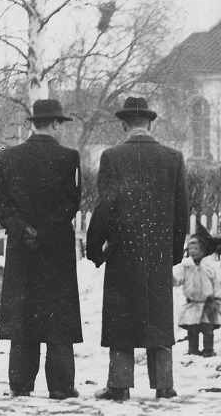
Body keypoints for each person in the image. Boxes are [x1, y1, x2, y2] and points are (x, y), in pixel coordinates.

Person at [86, 97, 189, 401]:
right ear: (150, 123)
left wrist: (95, 247)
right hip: (157, 253)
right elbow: (181, 210)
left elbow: (105, 206)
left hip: (123, 250)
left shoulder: (112, 157)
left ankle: (119, 385)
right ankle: (164, 384)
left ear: (123, 124)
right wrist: (174, 252)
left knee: (122, 317)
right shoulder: (173, 157)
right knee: (157, 316)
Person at [0, 99, 83, 400]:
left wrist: (22, 229)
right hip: (56, 249)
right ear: (55, 124)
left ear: (34, 123)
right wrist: (45, 231)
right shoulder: (70, 158)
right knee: (58, 318)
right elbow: (72, 202)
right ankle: (61, 385)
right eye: (62, 125)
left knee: (24, 316)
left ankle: (20, 382)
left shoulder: (9, 157)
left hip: (22, 247)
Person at [173, 234, 221, 357]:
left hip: (208, 303)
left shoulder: (210, 267)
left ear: (203, 250)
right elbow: (178, 278)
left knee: (207, 328)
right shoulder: (186, 267)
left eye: (195, 249)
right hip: (192, 303)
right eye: (190, 249)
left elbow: (219, 282)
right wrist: (172, 278)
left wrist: (217, 299)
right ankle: (193, 349)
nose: (192, 252)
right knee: (192, 328)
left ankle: (208, 350)